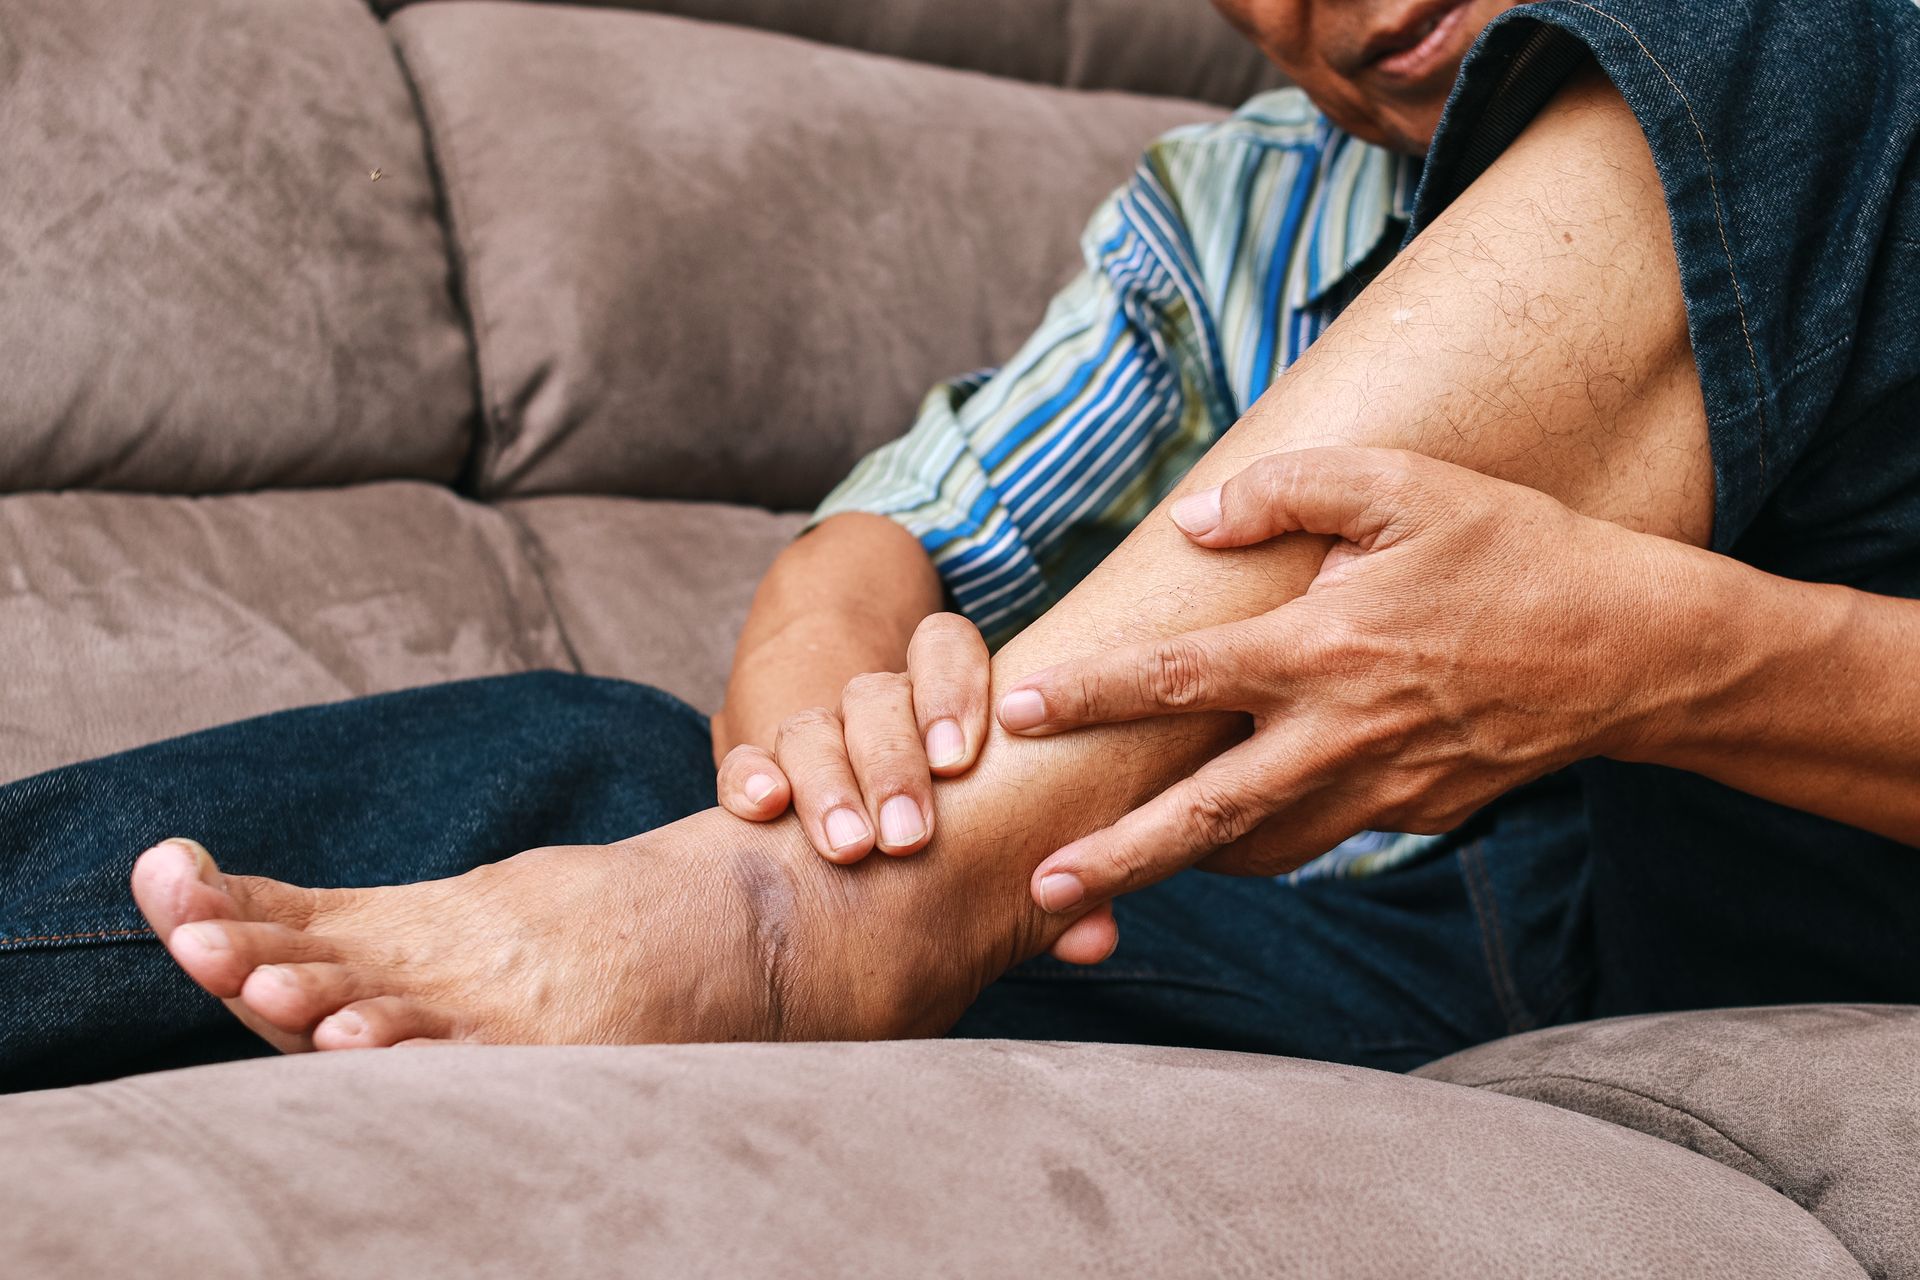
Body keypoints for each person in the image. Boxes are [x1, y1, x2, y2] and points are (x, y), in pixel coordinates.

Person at [4, 0, 1917, 1095]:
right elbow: (879, 540)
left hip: (1798, 875)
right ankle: (810, 909)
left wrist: (1683, 663)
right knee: (598, 771)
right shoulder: (1245, 200)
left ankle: (829, 925)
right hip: (1402, 935)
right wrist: (814, 760)